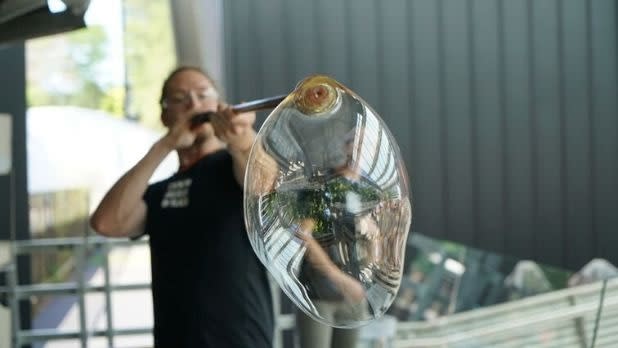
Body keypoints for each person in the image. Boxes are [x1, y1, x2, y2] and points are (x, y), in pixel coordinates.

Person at [89, 66, 274, 348]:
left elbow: (265, 185)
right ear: (165, 115)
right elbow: (106, 223)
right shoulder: (158, 191)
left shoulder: (232, 166)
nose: (193, 104)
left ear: (217, 105)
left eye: (203, 95)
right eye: (179, 98)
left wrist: (243, 139)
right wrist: (164, 145)